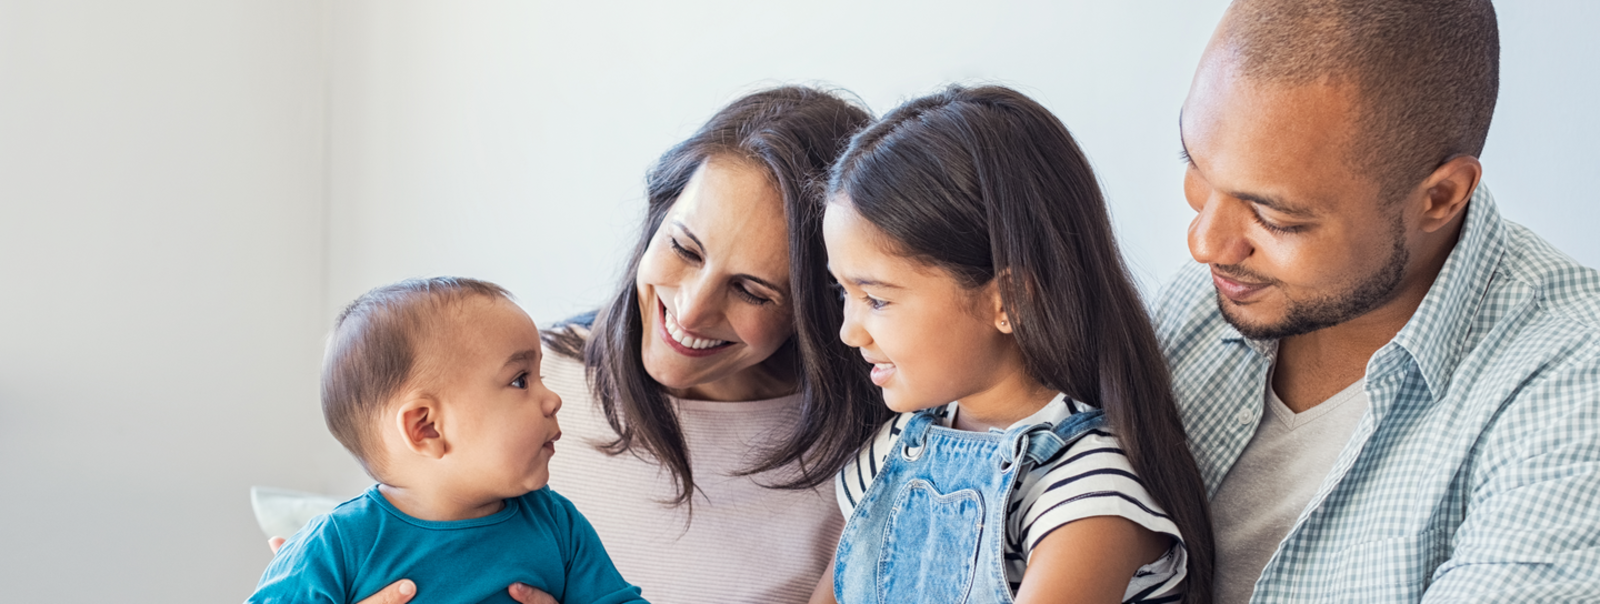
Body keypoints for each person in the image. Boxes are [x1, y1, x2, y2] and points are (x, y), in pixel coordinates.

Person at [1160, 0, 1600, 601]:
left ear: (1441, 197)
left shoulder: (1572, 386)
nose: (1204, 243)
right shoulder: (1206, 301)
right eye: (1198, 169)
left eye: (1275, 217)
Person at [811, 86, 1215, 604]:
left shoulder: (1085, 491)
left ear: (1009, 302)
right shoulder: (898, 448)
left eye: (877, 300)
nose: (849, 331)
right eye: (842, 291)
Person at [537, 86, 890, 604]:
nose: (691, 309)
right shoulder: (525, 381)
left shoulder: (877, 454)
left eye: (752, 290)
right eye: (684, 247)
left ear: (815, 307)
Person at [251, 277, 645, 604]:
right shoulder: (336, 546)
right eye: (520, 380)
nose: (552, 398)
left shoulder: (558, 526)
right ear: (427, 428)